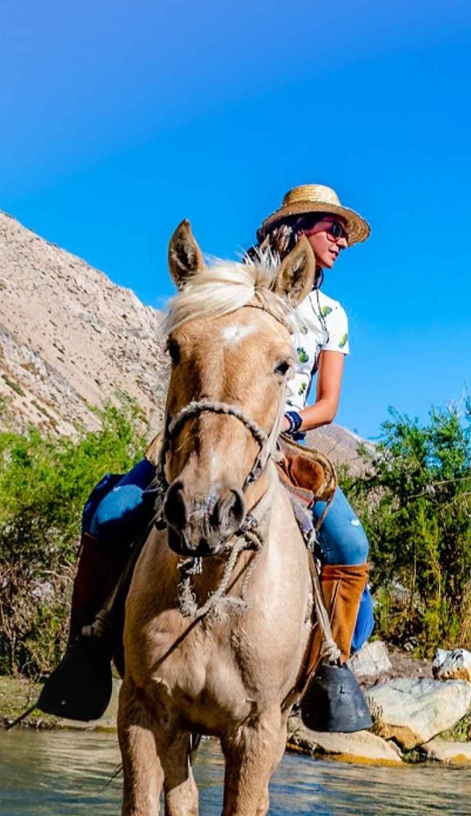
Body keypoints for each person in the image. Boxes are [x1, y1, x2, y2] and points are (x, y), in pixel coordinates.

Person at [36, 184, 376, 732]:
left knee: (351, 545)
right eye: (330, 228)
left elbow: (328, 403)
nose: (340, 240)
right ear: (300, 227)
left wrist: (289, 421)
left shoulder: (332, 315)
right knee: (108, 514)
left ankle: (328, 669)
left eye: (342, 232)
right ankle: (89, 650)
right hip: (205, 428)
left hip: (281, 439)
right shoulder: (227, 285)